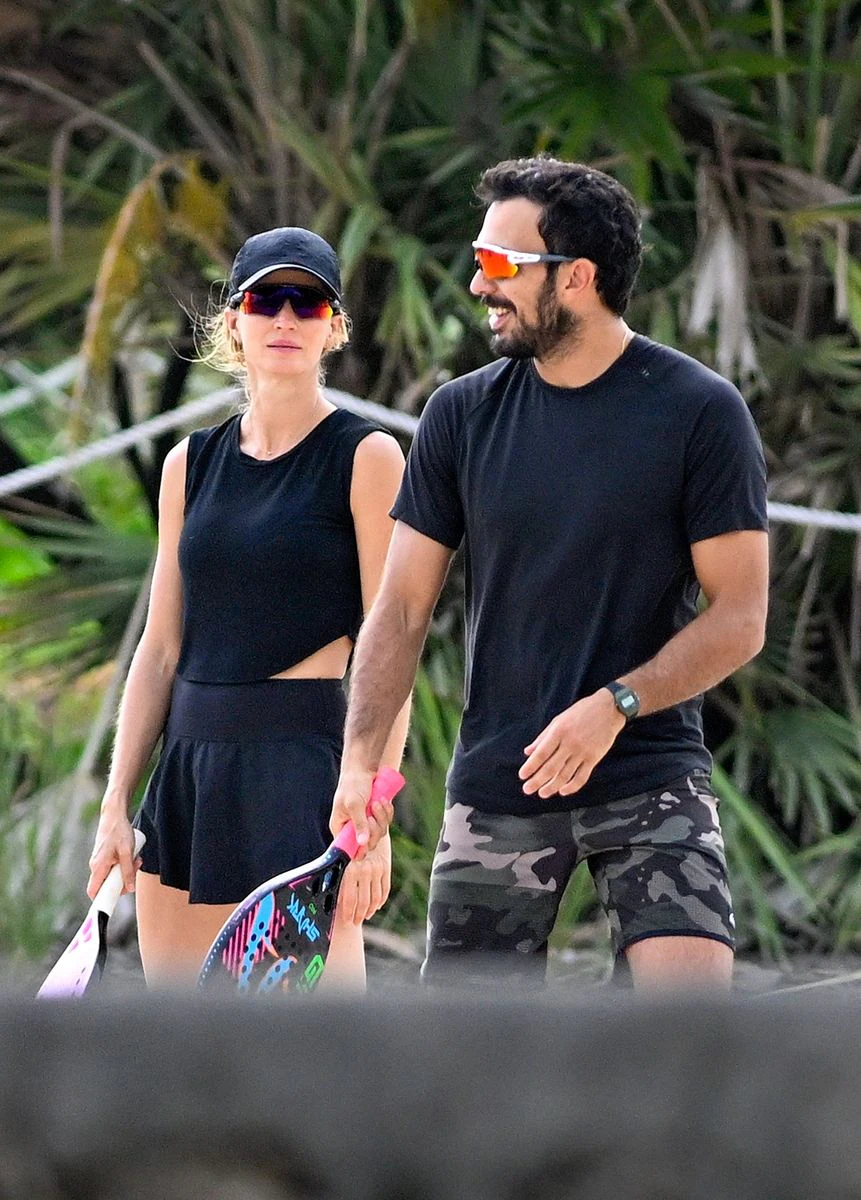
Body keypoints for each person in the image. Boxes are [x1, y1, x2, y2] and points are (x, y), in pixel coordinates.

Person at [330, 156, 769, 991]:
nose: (474, 284)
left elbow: (740, 616)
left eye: (498, 265)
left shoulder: (699, 412)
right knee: (465, 1074)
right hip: (498, 780)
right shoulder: (459, 414)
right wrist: (358, 764)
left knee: (686, 1024)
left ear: (576, 277)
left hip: (649, 769)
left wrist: (615, 707)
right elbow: (400, 608)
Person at [87, 226, 407, 987]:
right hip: (190, 770)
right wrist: (114, 804)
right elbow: (160, 650)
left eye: (308, 300)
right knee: (187, 1054)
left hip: (302, 772)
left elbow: (389, 647)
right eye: (267, 299)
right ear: (234, 320)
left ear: (334, 324)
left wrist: (376, 813)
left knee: (325, 1060)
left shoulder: (367, 456)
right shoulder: (188, 464)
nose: (287, 317)